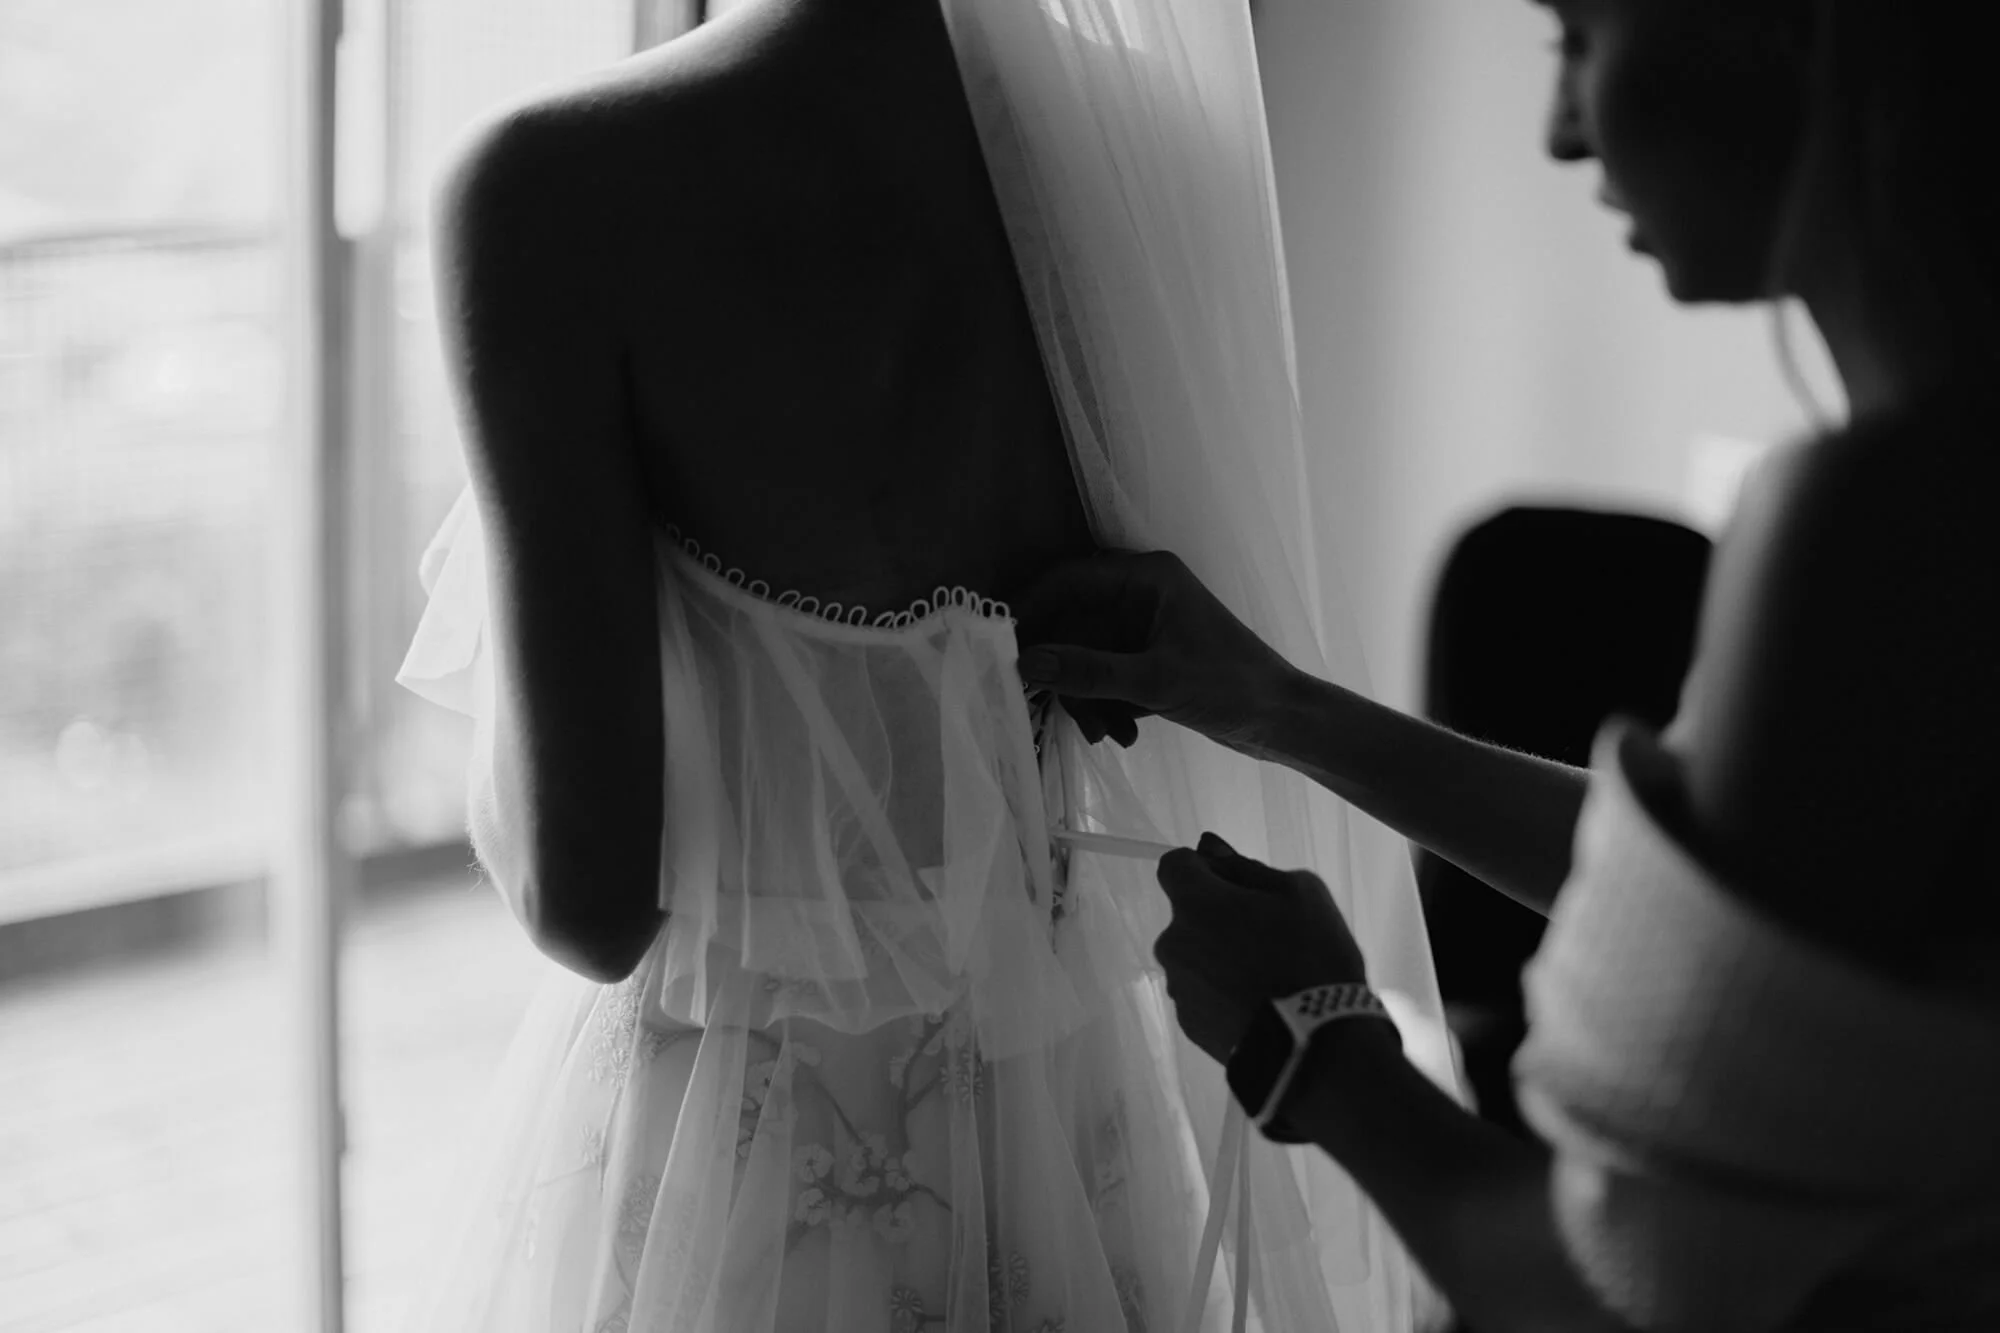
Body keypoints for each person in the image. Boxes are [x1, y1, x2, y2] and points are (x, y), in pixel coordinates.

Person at [395, 0, 1450, 1329]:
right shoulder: (1130, 153)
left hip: (740, 1187)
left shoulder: (549, 189)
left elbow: (586, 901)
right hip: (1064, 1123)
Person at [1014, 1, 2000, 1329]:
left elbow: (1615, 1296)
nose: (1557, 128)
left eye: (1581, 33)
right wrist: (1276, 707)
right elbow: (1753, 905)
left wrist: (1315, 1035)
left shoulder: (1876, 535)